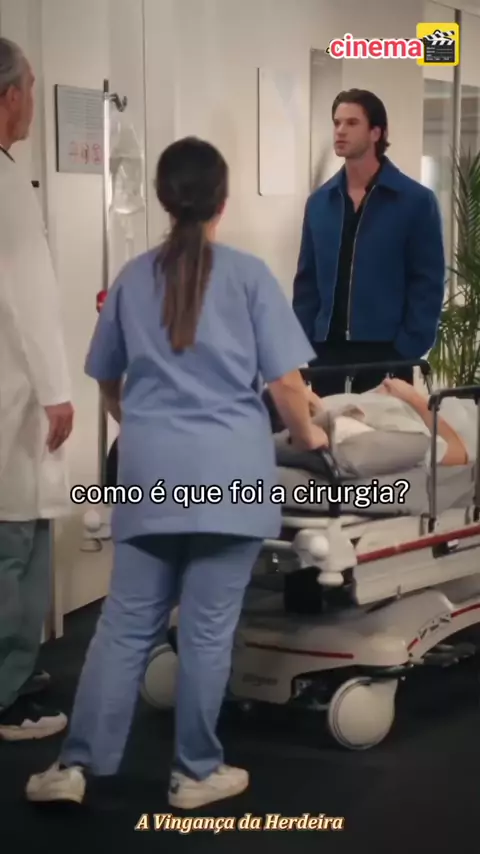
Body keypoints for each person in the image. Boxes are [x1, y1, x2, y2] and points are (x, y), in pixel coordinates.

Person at [25, 136, 328, 809]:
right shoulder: (249, 276)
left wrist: (144, 426)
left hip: (150, 476)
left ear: (166, 199)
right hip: (230, 478)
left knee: (124, 624)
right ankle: (195, 772)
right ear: (222, 200)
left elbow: (107, 381)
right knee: (207, 628)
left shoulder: (133, 278)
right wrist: (312, 437)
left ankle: (74, 766)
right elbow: (286, 385)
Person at [0, 38, 73, 740]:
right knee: (13, 547)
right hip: (15, 399)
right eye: (30, 87)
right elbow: (28, 301)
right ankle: (7, 695)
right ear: (12, 96)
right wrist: (56, 391)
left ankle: (15, 671)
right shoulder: (4, 183)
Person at [293, 88, 445, 396]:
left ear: (377, 132)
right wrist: (304, 341)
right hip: (326, 354)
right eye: (337, 123)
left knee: (385, 428)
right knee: (328, 427)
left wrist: (406, 347)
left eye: (352, 123)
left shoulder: (415, 201)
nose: (340, 131)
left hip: (387, 351)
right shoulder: (320, 202)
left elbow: (427, 281)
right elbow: (307, 281)